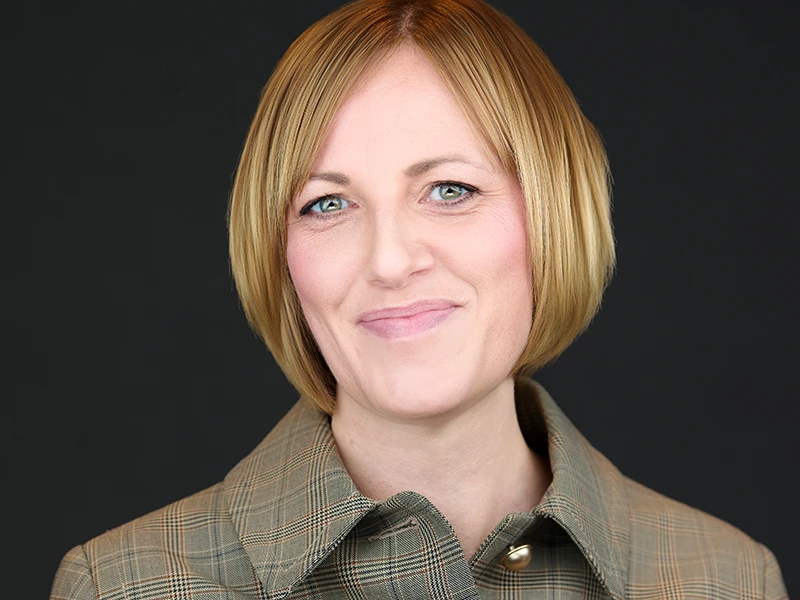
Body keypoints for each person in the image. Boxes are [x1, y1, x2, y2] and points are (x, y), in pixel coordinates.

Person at [51, 0, 788, 598]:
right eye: (328, 204)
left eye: (450, 190)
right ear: (278, 253)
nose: (390, 260)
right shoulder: (123, 587)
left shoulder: (725, 579)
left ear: (553, 214)